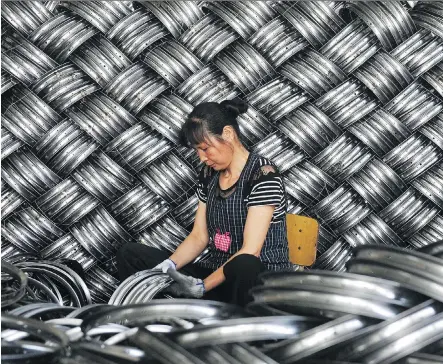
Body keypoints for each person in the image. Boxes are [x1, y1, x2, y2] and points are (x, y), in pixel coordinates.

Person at [116, 97, 292, 307]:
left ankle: (237, 327)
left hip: (257, 283)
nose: (202, 158)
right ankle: (167, 320)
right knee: (131, 254)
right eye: (197, 151)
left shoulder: (263, 175)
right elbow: (199, 236)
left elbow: (250, 250)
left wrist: (202, 287)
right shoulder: (209, 174)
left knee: (245, 264)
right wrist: (166, 267)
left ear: (228, 134)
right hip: (218, 278)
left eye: (205, 148)